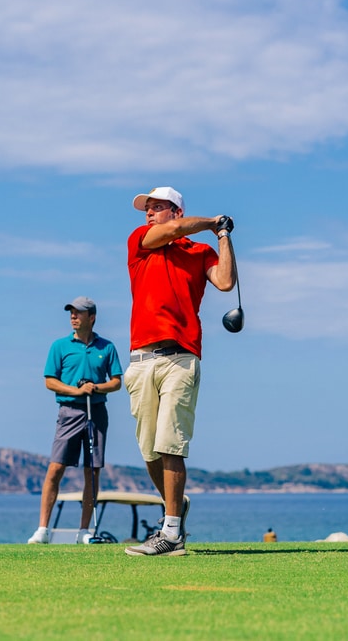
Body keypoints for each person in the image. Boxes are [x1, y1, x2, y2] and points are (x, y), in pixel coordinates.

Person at [123, 186, 237, 557]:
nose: (149, 214)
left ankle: (171, 534)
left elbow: (225, 281)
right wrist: (211, 222)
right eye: (147, 208)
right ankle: (177, 507)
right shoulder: (141, 240)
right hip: (141, 360)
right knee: (149, 451)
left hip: (181, 358)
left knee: (171, 443)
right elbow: (171, 233)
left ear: (175, 210)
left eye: (156, 208)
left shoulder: (199, 252)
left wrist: (222, 236)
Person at [27, 297, 123, 545]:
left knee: (92, 471)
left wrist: (96, 388)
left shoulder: (107, 347)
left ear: (91, 318)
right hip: (69, 412)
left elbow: (116, 382)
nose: (73, 317)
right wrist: (76, 390)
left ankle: (84, 531)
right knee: (56, 468)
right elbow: (50, 381)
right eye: (71, 312)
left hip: (97, 412)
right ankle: (43, 530)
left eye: (78, 313)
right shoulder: (59, 346)